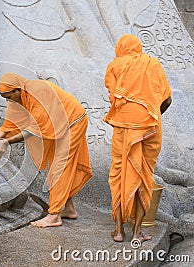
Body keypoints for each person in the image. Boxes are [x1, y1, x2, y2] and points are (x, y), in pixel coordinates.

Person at [0, 73, 92, 228]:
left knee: (60, 167)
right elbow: (8, 125)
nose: (7, 100)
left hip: (73, 122)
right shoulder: (16, 97)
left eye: (9, 96)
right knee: (56, 167)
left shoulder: (38, 91)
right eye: (4, 97)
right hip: (58, 124)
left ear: (18, 90)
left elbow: (34, 130)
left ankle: (54, 216)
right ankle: (69, 209)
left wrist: (6, 142)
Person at [103, 34, 172, 243]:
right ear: (138, 47)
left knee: (119, 173)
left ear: (120, 48)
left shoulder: (114, 66)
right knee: (143, 175)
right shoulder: (152, 64)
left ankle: (118, 231)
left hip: (122, 127)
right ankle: (137, 232)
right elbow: (167, 99)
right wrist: (153, 114)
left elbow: (114, 95)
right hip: (149, 127)